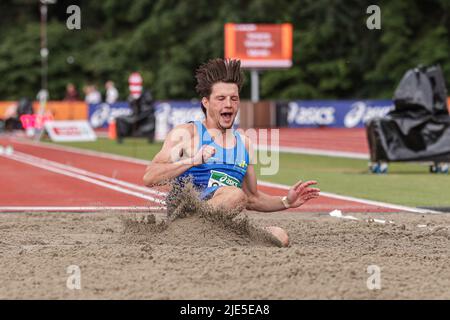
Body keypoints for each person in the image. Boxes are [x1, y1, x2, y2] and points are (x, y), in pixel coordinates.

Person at [143, 58, 320, 247]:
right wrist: (192, 161)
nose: (228, 104)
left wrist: (286, 201)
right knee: (234, 195)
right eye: (221, 99)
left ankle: (211, 236)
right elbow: (150, 177)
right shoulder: (187, 134)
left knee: (280, 236)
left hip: (220, 224)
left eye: (233, 99)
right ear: (206, 102)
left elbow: (251, 198)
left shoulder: (244, 144)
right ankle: (186, 230)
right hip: (184, 214)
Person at [115, 73, 156, 143]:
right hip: (136, 114)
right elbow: (131, 103)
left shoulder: (145, 93)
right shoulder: (133, 94)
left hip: (144, 114)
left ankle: (149, 138)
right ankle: (121, 137)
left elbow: (149, 103)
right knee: (120, 119)